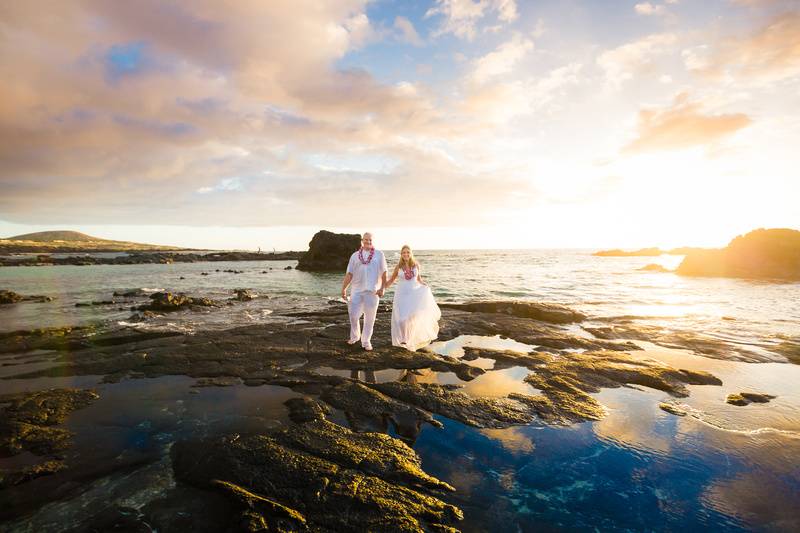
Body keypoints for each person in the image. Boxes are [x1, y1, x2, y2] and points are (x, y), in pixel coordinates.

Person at [385, 245, 441, 351]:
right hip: (401, 295)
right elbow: (392, 280)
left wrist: (425, 285)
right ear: (401, 254)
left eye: (408, 252)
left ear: (411, 253)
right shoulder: (398, 267)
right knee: (401, 319)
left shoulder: (416, 265)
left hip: (414, 294)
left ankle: (407, 339)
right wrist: (382, 288)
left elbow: (419, 279)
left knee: (411, 318)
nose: (406, 254)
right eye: (403, 252)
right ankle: (404, 338)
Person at [341, 232, 388, 351]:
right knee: (353, 315)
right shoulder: (355, 256)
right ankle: (355, 336)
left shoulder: (379, 254)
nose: (368, 242)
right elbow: (349, 273)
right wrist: (344, 288)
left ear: (373, 241)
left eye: (370, 240)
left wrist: (383, 288)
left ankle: (366, 341)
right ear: (362, 240)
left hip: (373, 291)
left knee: (370, 318)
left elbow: (384, 273)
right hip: (356, 290)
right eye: (366, 239)